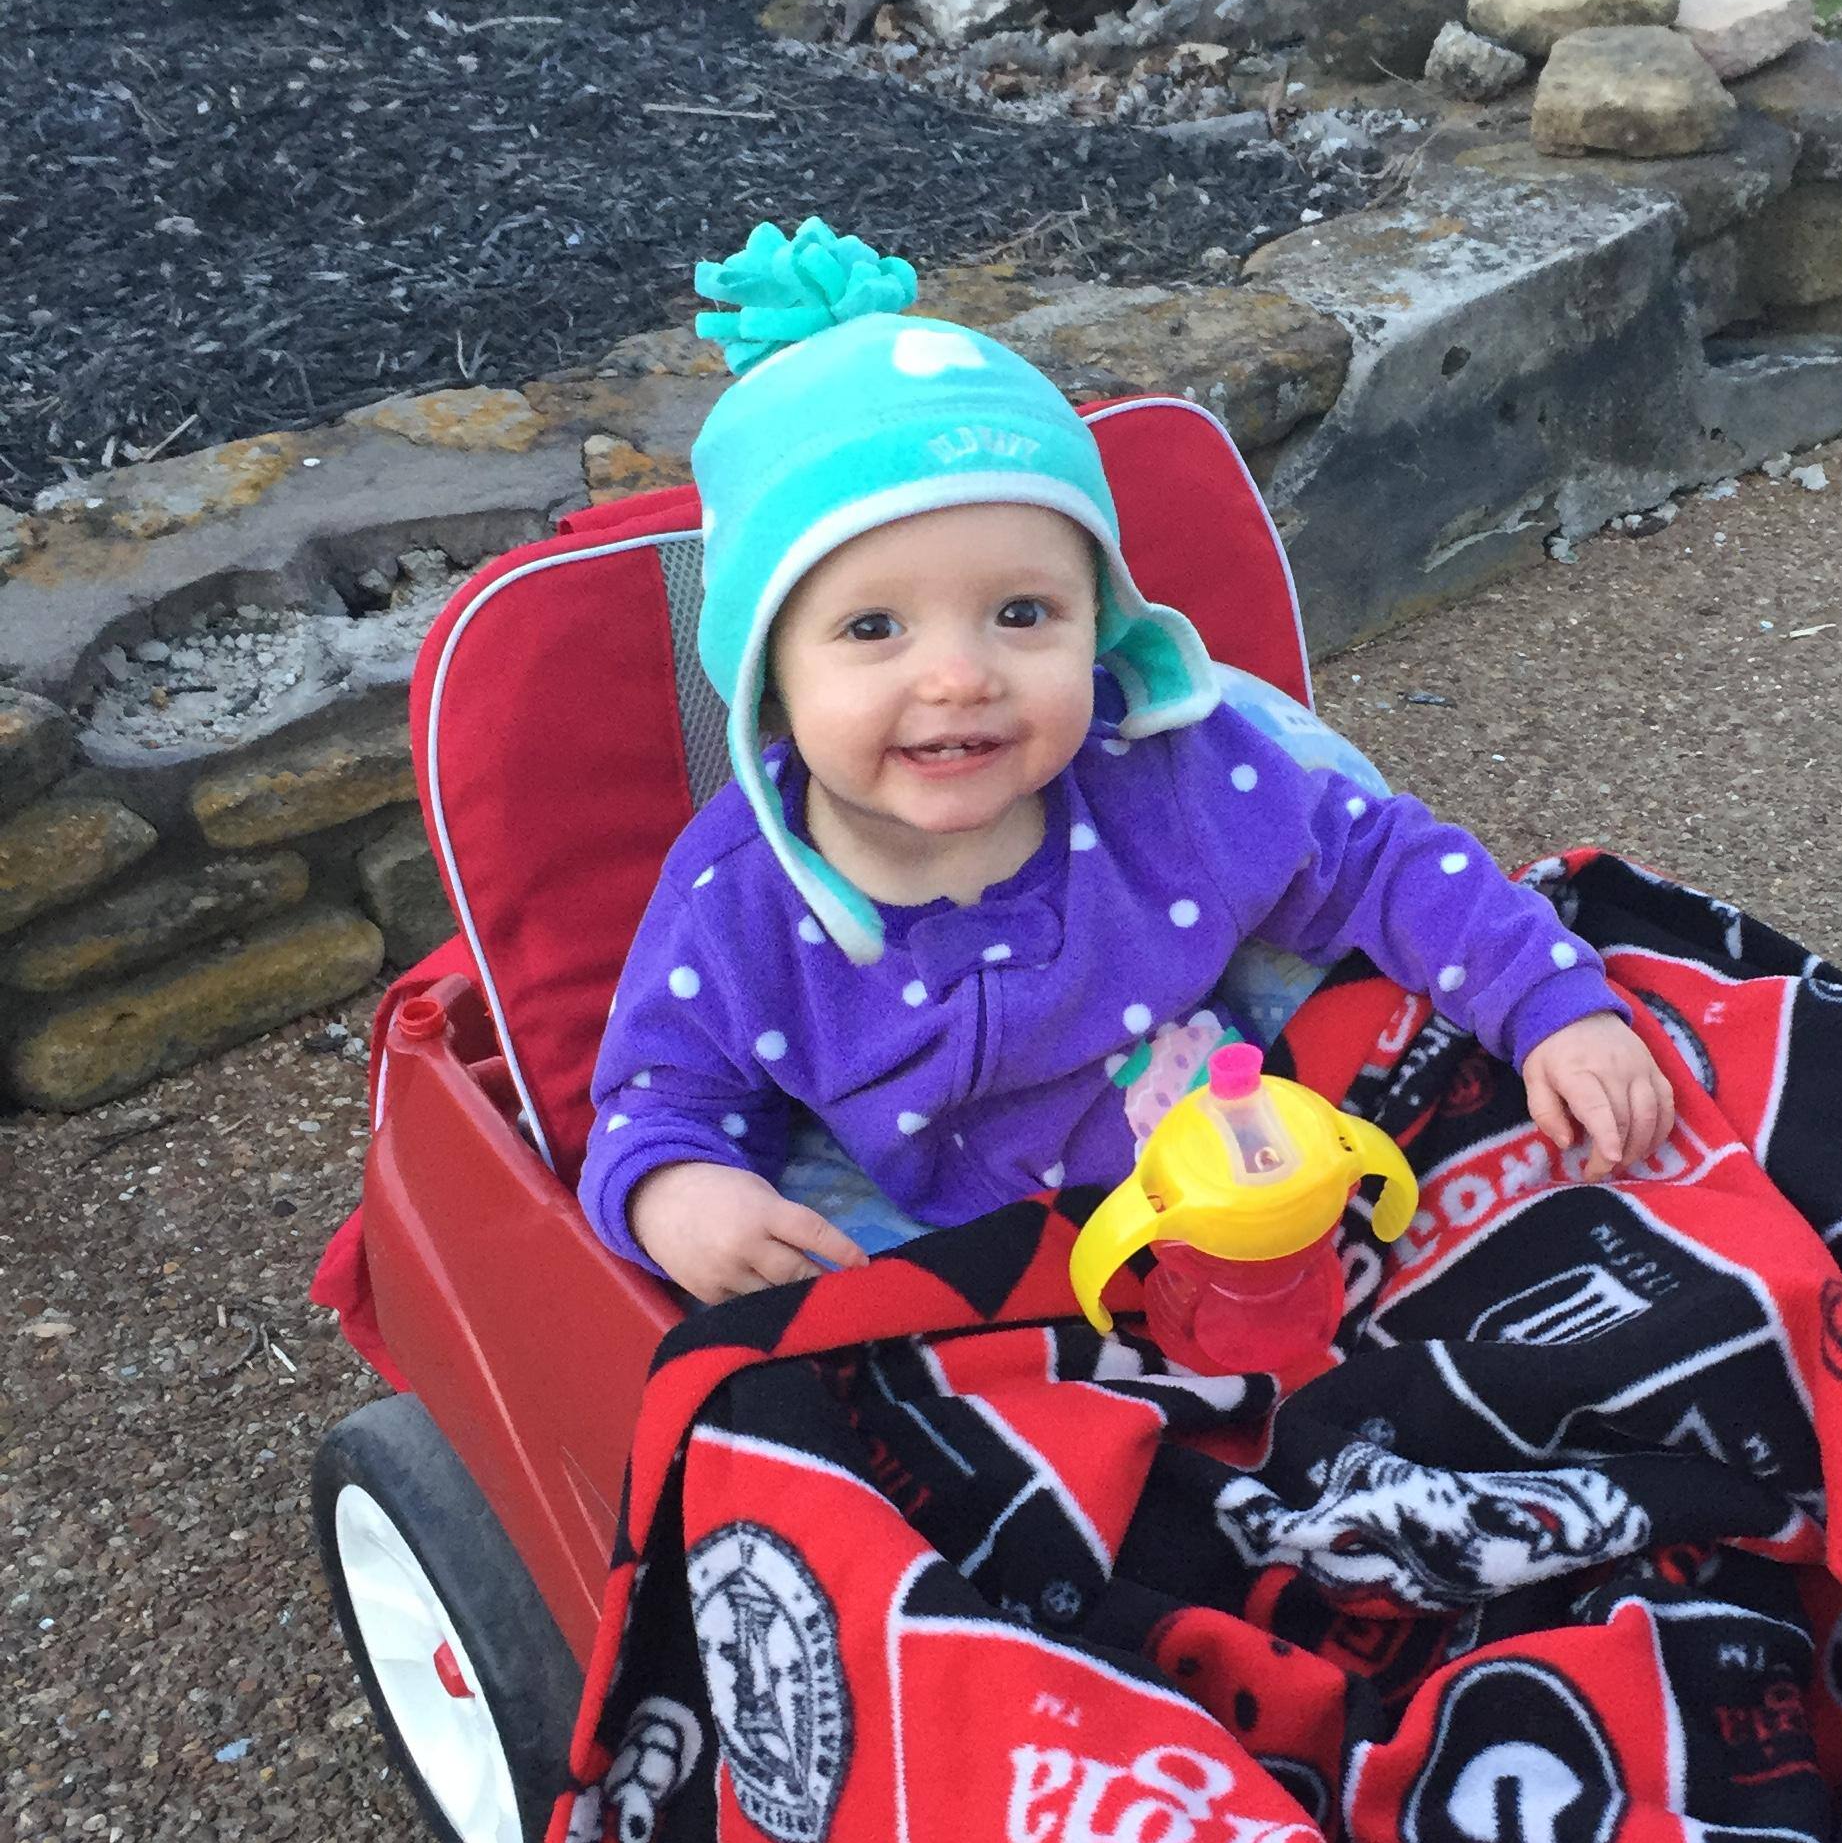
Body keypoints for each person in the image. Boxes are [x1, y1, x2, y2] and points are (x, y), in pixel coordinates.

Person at [580, 217, 1675, 1306]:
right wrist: (678, 1194)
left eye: (1022, 613)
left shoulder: (1163, 776)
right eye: (873, 629)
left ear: (1099, 624)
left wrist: (1549, 1003)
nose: (959, 677)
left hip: (1248, 1181)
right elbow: (662, 1100)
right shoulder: (740, 902)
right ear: (768, 678)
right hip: (963, 1250)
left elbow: (1378, 865)